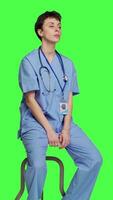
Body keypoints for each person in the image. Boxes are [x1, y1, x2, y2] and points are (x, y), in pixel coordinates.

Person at [17, 10, 103, 200]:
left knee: (94, 159)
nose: (57, 29)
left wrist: (65, 128)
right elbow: (30, 100)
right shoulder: (29, 62)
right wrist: (49, 130)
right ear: (40, 32)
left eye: (59, 26)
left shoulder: (68, 64)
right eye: (51, 25)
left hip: (62, 121)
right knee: (38, 166)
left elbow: (69, 97)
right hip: (35, 124)